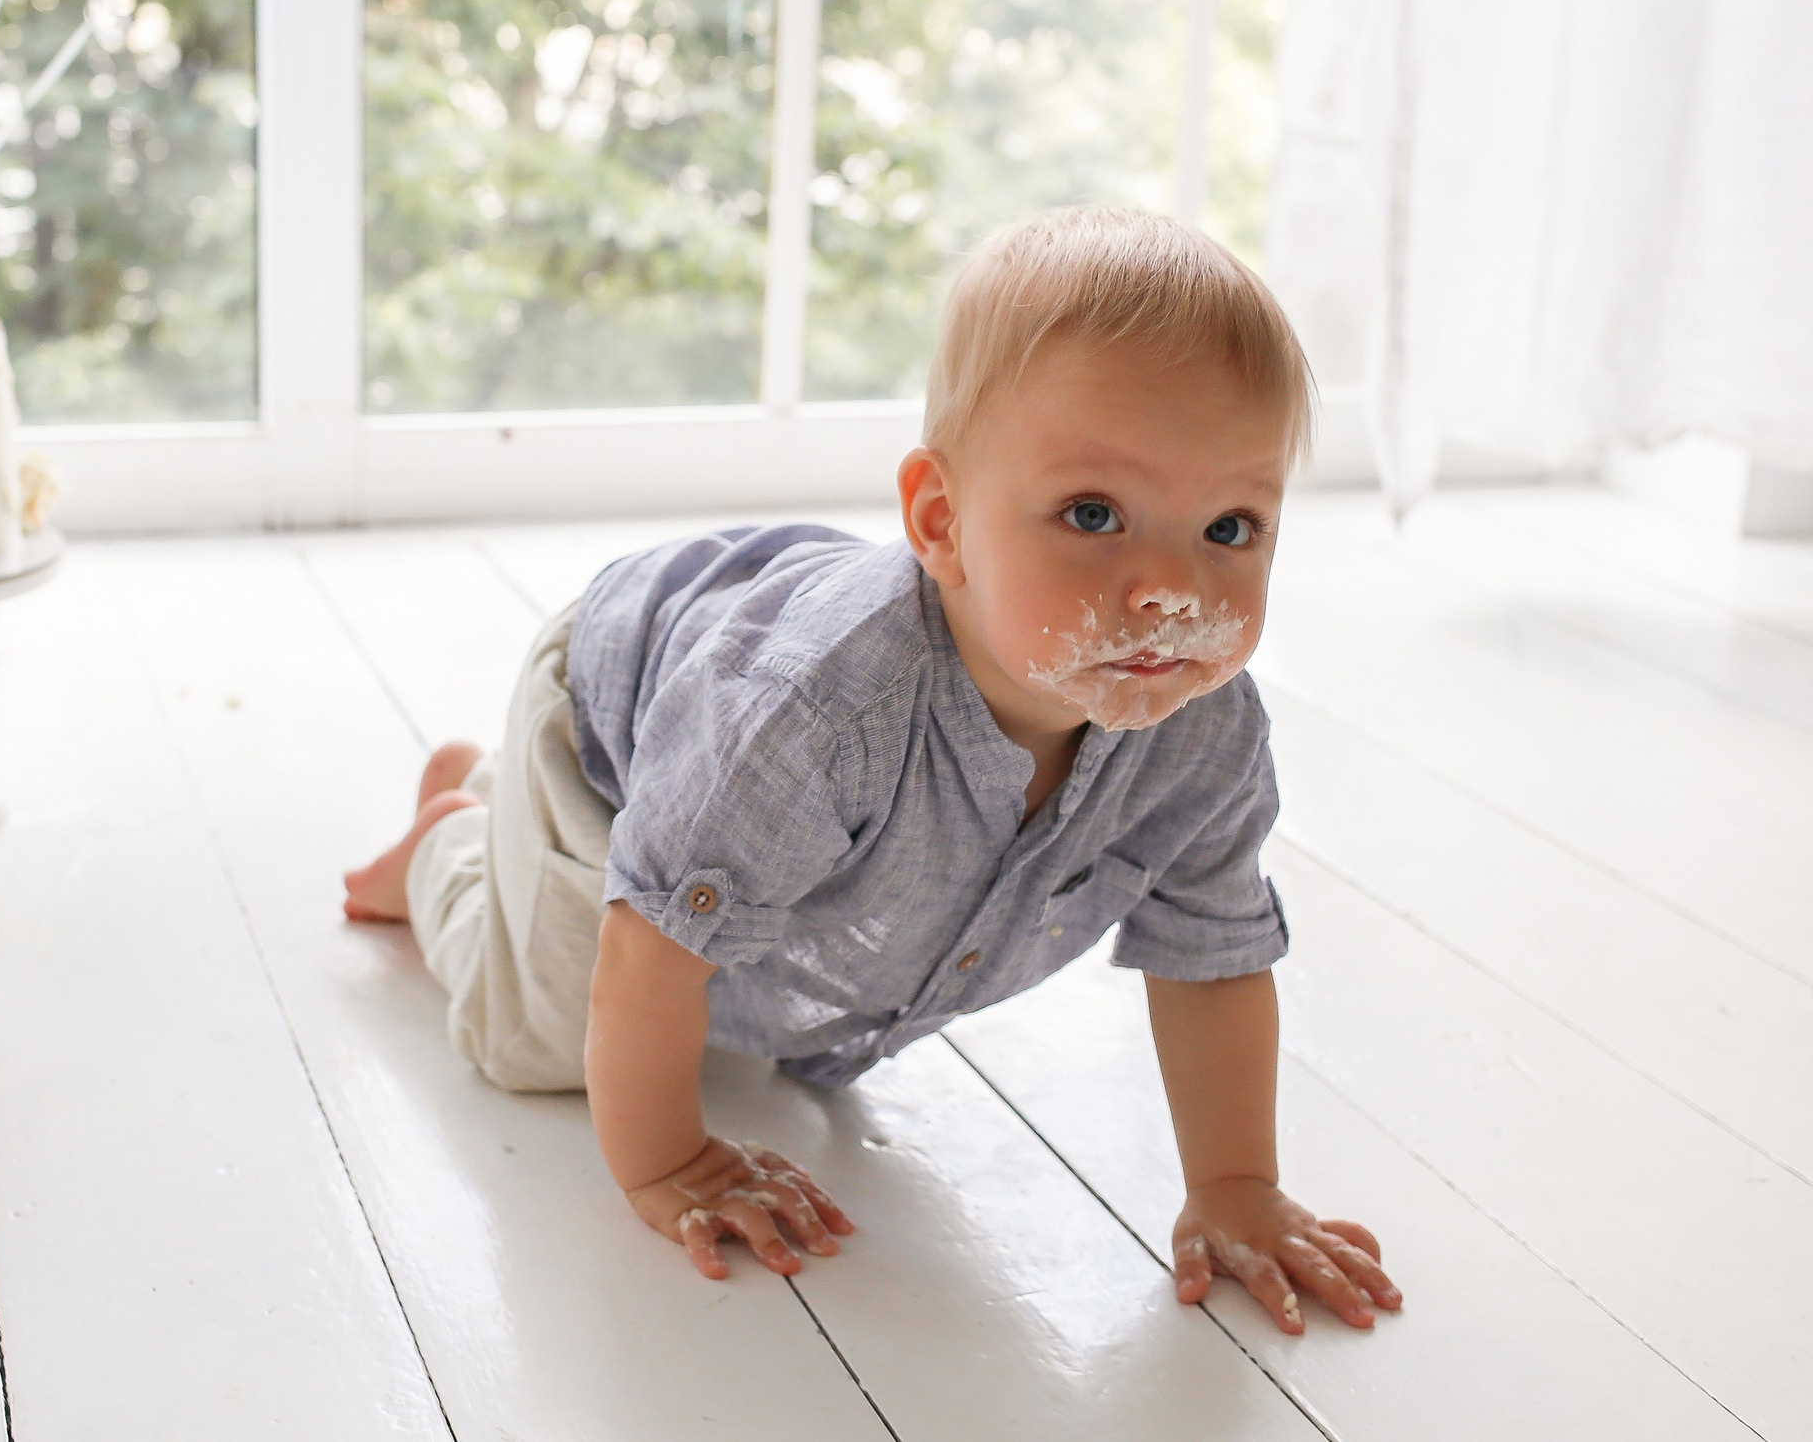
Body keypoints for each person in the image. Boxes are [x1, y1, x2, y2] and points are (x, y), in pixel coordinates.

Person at [343, 205, 1402, 1335]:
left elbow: (1212, 959)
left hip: (735, 763)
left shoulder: (1205, 735)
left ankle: (497, 818)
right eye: (1094, 515)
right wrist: (669, 1163)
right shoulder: (814, 714)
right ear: (940, 522)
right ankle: (459, 845)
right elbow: (648, 957)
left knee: (730, 979)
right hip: (618, 738)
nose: (1167, 589)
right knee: (538, 1043)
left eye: (1230, 529)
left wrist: (1232, 1185)